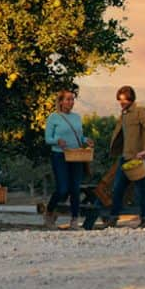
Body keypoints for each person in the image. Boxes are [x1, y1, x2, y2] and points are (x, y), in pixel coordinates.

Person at [106, 85, 145, 228]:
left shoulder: (140, 112)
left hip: (140, 158)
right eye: (120, 100)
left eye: (124, 100)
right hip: (126, 157)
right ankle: (113, 218)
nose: (121, 103)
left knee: (141, 189)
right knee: (117, 188)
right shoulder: (124, 115)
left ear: (131, 99)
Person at [44, 90, 92, 229]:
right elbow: (48, 139)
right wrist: (57, 141)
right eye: (68, 99)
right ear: (60, 101)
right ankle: (49, 211)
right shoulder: (53, 117)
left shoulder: (77, 117)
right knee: (62, 189)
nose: (71, 102)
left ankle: (74, 220)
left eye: (72, 99)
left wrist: (86, 140)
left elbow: (79, 137)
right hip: (59, 155)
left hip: (76, 155)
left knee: (75, 189)